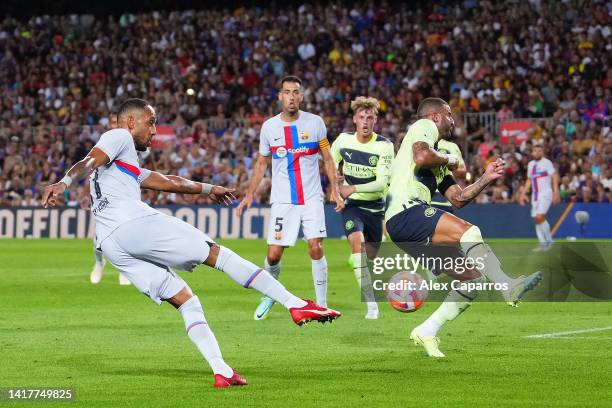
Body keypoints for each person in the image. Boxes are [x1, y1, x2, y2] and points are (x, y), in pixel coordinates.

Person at [42, 98, 341, 387]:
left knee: (186, 300)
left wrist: (209, 188)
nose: (155, 130)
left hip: (112, 244)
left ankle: (221, 371)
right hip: (132, 223)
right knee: (216, 254)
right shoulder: (118, 135)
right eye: (151, 122)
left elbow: (170, 181)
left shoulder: (124, 166)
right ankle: (295, 303)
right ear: (131, 122)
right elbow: (87, 161)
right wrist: (63, 183)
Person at [384, 97, 542, 358]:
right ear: (434, 117)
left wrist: (486, 178)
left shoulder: (437, 161)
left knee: (473, 281)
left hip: (406, 225)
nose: (452, 120)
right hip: (405, 212)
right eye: (448, 114)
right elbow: (422, 155)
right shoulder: (422, 127)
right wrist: (449, 159)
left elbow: (458, 198)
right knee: (470, 232)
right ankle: (506, 285)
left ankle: (427, 330)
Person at [236, 76, 344, 320]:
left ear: (301, 96)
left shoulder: (315, 123)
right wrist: (250, 194)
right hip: (283, 201)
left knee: (315, 246)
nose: (292, 96)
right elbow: (262, 161)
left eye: (296, 92)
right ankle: (269, 294)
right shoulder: (269, 127)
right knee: (274, 255)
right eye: (287, 92)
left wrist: (335, 190)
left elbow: (327, 158)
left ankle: (322, 304)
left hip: (311, 197)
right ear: (280, 96)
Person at [330, 96, 394, 319]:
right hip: (352, 206)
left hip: (376, 207)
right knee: (358, 247)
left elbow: (381, 183)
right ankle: (372, 306)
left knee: (373, 257)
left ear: (375, 120)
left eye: (370, 117)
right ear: (354, 119)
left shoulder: (384, 146)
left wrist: (351, 188)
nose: (365, 122)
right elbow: (330, 161)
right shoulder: (343, 140)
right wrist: (334, 186)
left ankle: (360, 262)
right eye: (361, 117)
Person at [83, 109, 131, 285]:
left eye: (117, 123)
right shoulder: (104, 144)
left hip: (125, 195)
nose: (114, 126)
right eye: (112, 123)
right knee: (99, 236)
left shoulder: (129, 144)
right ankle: (99, 263)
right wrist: (84, 194)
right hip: (103, 195)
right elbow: (91, 169)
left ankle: (123, 269)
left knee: (124, 233)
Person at [519, 143, 560, 251]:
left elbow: (554, 176)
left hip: (546, 193)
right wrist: (523, 193)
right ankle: (543, 243)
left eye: (539, 151)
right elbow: (529, 180)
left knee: (539, 217)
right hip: (535, 196)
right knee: (536, 219)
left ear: (542, 152)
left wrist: (556, 192)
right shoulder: (531, 165)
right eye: (535, 151)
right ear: (532, 152)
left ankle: (548, 241)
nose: (537, 153)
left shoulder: (547, 163)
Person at [430, 137, 467, 213]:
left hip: (445, 198)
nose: (452, 125)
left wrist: (445, 165)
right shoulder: (422, 142)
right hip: (422, 199)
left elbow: (463, 172)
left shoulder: (452, 146)